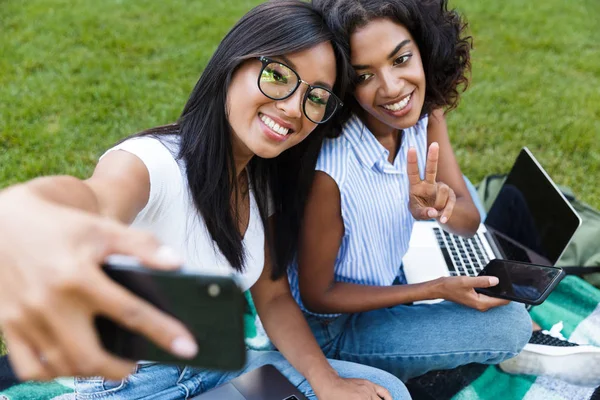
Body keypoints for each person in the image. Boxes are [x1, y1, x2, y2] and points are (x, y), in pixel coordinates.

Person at [0, 1, 411, 399]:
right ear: (234, 63)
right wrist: (33, 215)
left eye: (316, 97)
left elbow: (274, 296)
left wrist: (328, 382)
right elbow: (92, 199)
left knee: (385, 392)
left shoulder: (260, 181)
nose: (292, 108)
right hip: (129, 386)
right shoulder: (152, 165)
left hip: (219, 369)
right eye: (279, 75)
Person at [286, 0, 533, 382]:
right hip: (333, 330)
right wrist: (434, 289)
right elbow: (318, 296)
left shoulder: (426, 116)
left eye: (400, 60)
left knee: (465, 198)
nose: (392, 88)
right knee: (511, 325)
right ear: (344, 84)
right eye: (364, 76)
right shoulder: (330, 174)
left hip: (386, 278)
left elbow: (469, 223)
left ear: (424, 49)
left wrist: (441, 208)